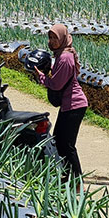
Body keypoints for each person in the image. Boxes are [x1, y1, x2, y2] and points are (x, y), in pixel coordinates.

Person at [34, 24, 88, 179]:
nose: (51, 41)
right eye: (49, 38)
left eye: (54, 38)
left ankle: (76, 180)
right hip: (69, 105)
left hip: (74, 105)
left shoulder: (65, 58)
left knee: (66, 144)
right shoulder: (61, 54)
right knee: (59, 140)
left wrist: (41, 77)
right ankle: (67, 177)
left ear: (63, 38)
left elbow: (57, 84)